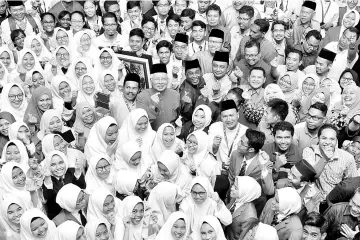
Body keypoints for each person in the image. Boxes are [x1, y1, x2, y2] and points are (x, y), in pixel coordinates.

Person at [303, 124, 357, 202]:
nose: (328, 142)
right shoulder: (309, 151)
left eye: (332, 139)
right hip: (312, 201)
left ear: (337, 140)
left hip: (334, 202)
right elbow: (310, 176)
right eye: (324, 138)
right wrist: (325, 158)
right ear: (318, 138)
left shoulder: (347, 158)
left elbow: (353, 185)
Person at [42, 150, 85, 219]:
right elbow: (47, 197)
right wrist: (47, 179)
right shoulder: (48, 180)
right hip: (59, 218)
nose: (58, 167)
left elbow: (82, 187)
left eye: (61, 163)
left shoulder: (71, 171)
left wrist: (78, 172)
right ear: (48, 166)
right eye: (53, 165)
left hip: (77, 212)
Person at [136, 63, 180, 130]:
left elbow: (180, 117)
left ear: (168, 80)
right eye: (157, 79)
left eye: (163, 79)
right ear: (151, 80)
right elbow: (141, 123)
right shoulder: (142, 96)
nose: (160, 82)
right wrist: (153, 105)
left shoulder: (175, 95)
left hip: (170, 135)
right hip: (151, 136)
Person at [208, 100, 248, 167]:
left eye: (231, 115)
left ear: (237, 115)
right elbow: (209, 150)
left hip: (237, 168)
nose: (228, 119)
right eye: (225, 116)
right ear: (221, 117)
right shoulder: (215, 127)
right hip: (218, 168)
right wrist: (214, 145)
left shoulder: (245, 131)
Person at [226, 176, 261, 240]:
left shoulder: (250, 217)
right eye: (233, 184)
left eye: (236, 188)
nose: (232, 188)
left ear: (244, 192)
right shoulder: (236, 198)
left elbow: (242, 238)